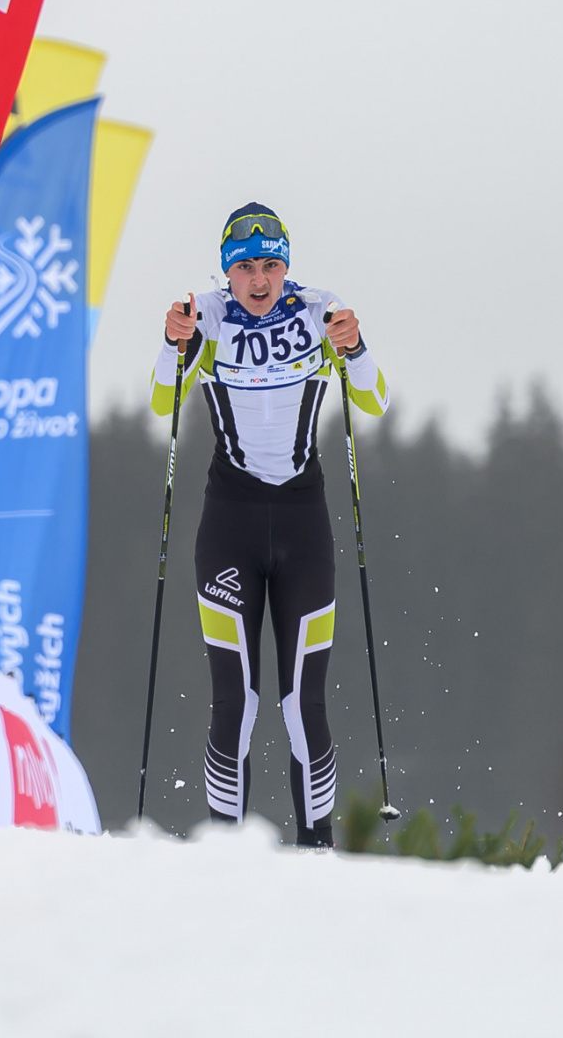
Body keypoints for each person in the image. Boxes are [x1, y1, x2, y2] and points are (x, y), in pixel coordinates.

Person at [149, 203, 389, 847]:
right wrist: (173, 344)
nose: (259, 281)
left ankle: (316, 850)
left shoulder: (319, 312)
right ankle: (225, 853)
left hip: (302, 524)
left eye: (270, 266)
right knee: (236, 702)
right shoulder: (205, 316)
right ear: (227, 272)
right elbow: (162, 400)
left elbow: (373, 400)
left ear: (286, 267)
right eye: (246, 268)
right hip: (228, 525)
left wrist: (355, 348)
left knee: (305, 703)